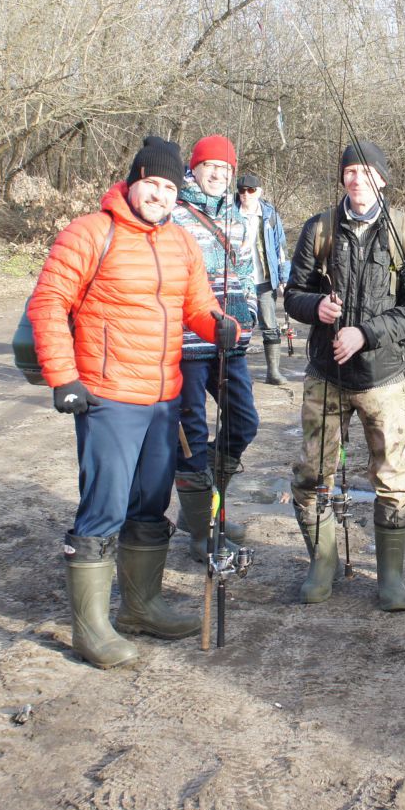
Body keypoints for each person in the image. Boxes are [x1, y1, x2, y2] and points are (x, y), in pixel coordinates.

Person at [27, 136, 238, 668]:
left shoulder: (180, 242)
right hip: (108, 396)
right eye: (153, 184)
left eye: (170, 187)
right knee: (105, 506)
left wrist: (219, 326)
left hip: (164, 397)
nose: (161, 195)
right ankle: (90, 628)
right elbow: (49, 303)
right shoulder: (90, 233)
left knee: (149, 504)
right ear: (132, 181)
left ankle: (140, 606)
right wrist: (64, 377)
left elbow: (196, 305)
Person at [284, 140, 405, 611]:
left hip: (385, 378)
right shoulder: (319, 228)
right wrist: (316, 308)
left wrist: (365, 334)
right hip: (325, 375)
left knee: (392, 477)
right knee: (311, 473)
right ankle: (321, 564)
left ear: (382, 179)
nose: (356, 180)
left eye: (365, 172)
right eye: (349, 171)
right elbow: (293, 295)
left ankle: (390, 577)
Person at [170, 136, 260, 562]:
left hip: (230, 343)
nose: (217, 175)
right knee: (191, 433)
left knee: (244, 423)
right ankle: (200, 527)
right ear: (194, 168)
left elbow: (245, 272)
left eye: (224, 170)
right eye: (209, 167)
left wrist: (253, 318)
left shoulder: (238, 219)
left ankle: (207, 507)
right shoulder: (172, 214)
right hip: (186, 346)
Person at [237, 171, 291, 386]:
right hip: (240, 280)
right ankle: (236, 374)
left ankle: (273, 372)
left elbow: (281, 249)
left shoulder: (271, 216)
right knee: (239, 325)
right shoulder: (230, 214)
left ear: (259, 191)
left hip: (265, 280)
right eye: (242, 191)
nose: (246, 195)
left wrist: (284, 278)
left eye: (250, 190)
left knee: (270, 324)